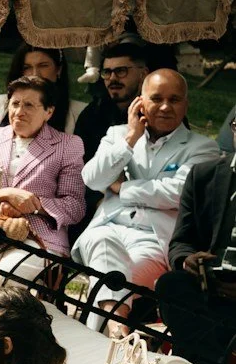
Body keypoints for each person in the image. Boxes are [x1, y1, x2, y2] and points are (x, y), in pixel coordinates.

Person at [75, 67, 205, 302]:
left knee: (114, 281)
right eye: (156, 99)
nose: (165, 107)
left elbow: (178, 193)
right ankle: (116, 331)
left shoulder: (201, 148)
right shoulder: (118, 135)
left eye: (174, 100)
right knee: (103, 249)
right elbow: (92, 179)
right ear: (140, 103)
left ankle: (106, 331)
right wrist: (131, 138)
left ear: (185, 105)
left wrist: (122, 188)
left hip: (153, 238)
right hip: (108, 227)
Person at [156, 151, 236, 364]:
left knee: (196, 356)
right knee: (171, 284)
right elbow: (182, 240)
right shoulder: (204, 175)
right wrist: (188, 260)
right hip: (207, 292)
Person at [0, 76, 87, 255]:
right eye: (15, 103)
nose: (19, 111)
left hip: (38, 238)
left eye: (29, 105)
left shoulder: (67, 145)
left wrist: (35, 205)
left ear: (49, 112)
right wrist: (3, 195)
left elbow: (74, 207)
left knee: (4, 277)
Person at [0, 45, 83, 136]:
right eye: (27, 67)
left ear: (59, 69)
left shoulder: (77, 113)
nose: (35, 74)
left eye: (43, 66)